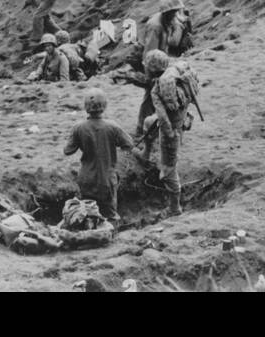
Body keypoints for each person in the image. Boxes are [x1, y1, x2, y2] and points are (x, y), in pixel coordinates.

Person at [64, 89, 136, 223]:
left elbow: (68, 150)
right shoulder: (113, 127)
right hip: (107, 179)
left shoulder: (78, 128)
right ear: (104, 106)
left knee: (86, 213)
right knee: (110, 214)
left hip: (86, 179)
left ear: (86, 107)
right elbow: (129, 144)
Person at [143, 50, 190, 215]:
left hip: (171, 129)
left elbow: (163, 118)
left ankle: (174, 207)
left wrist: (169, 137)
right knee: (148, 122)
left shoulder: (157, 89)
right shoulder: (175, 77)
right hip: (180, 120)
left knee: (168, 170)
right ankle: (146, 153)